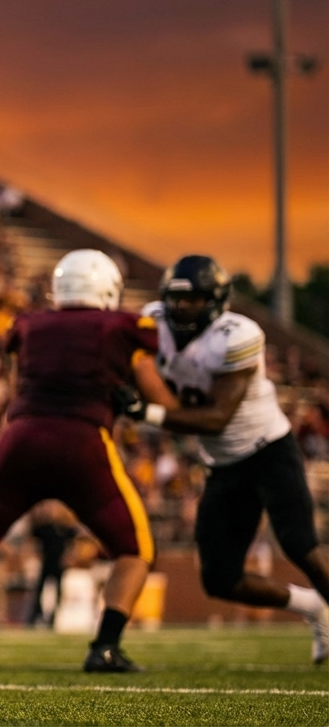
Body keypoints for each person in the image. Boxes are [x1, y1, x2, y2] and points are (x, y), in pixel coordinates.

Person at [0, 249, 159, 673]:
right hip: (82, 440)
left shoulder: (30, 324)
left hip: (21, 438)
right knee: (135, 549)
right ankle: (105, 647)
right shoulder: (122, 326)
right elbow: (154, 389)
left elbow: (23, 368)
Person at [121, 255, 329, 662]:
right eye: (176, 300)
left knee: (300, 544)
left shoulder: (237, 334)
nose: (182, 309)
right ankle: (312, 607)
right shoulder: (153, 322)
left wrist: (145, 412)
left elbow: (216, 419)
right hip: (223, 465)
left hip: (268, 450)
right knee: (219, 579)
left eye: (193, 301)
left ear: (215, 302)